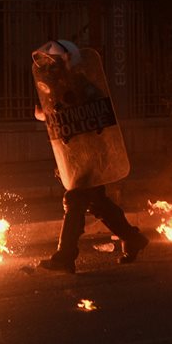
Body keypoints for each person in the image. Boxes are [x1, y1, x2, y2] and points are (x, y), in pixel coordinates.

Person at [31, 39, 149, 274]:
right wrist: (46, 113)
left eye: (53, 63)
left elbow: (99, 113)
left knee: (75, 200)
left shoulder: (81, 84)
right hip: (75, 156)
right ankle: (132, 238)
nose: (49, 68)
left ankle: (65, 258)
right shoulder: (54, 87)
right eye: (47, 64)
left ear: (66, 61)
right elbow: (49, 116)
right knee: (98, 203)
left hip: (90, 155)